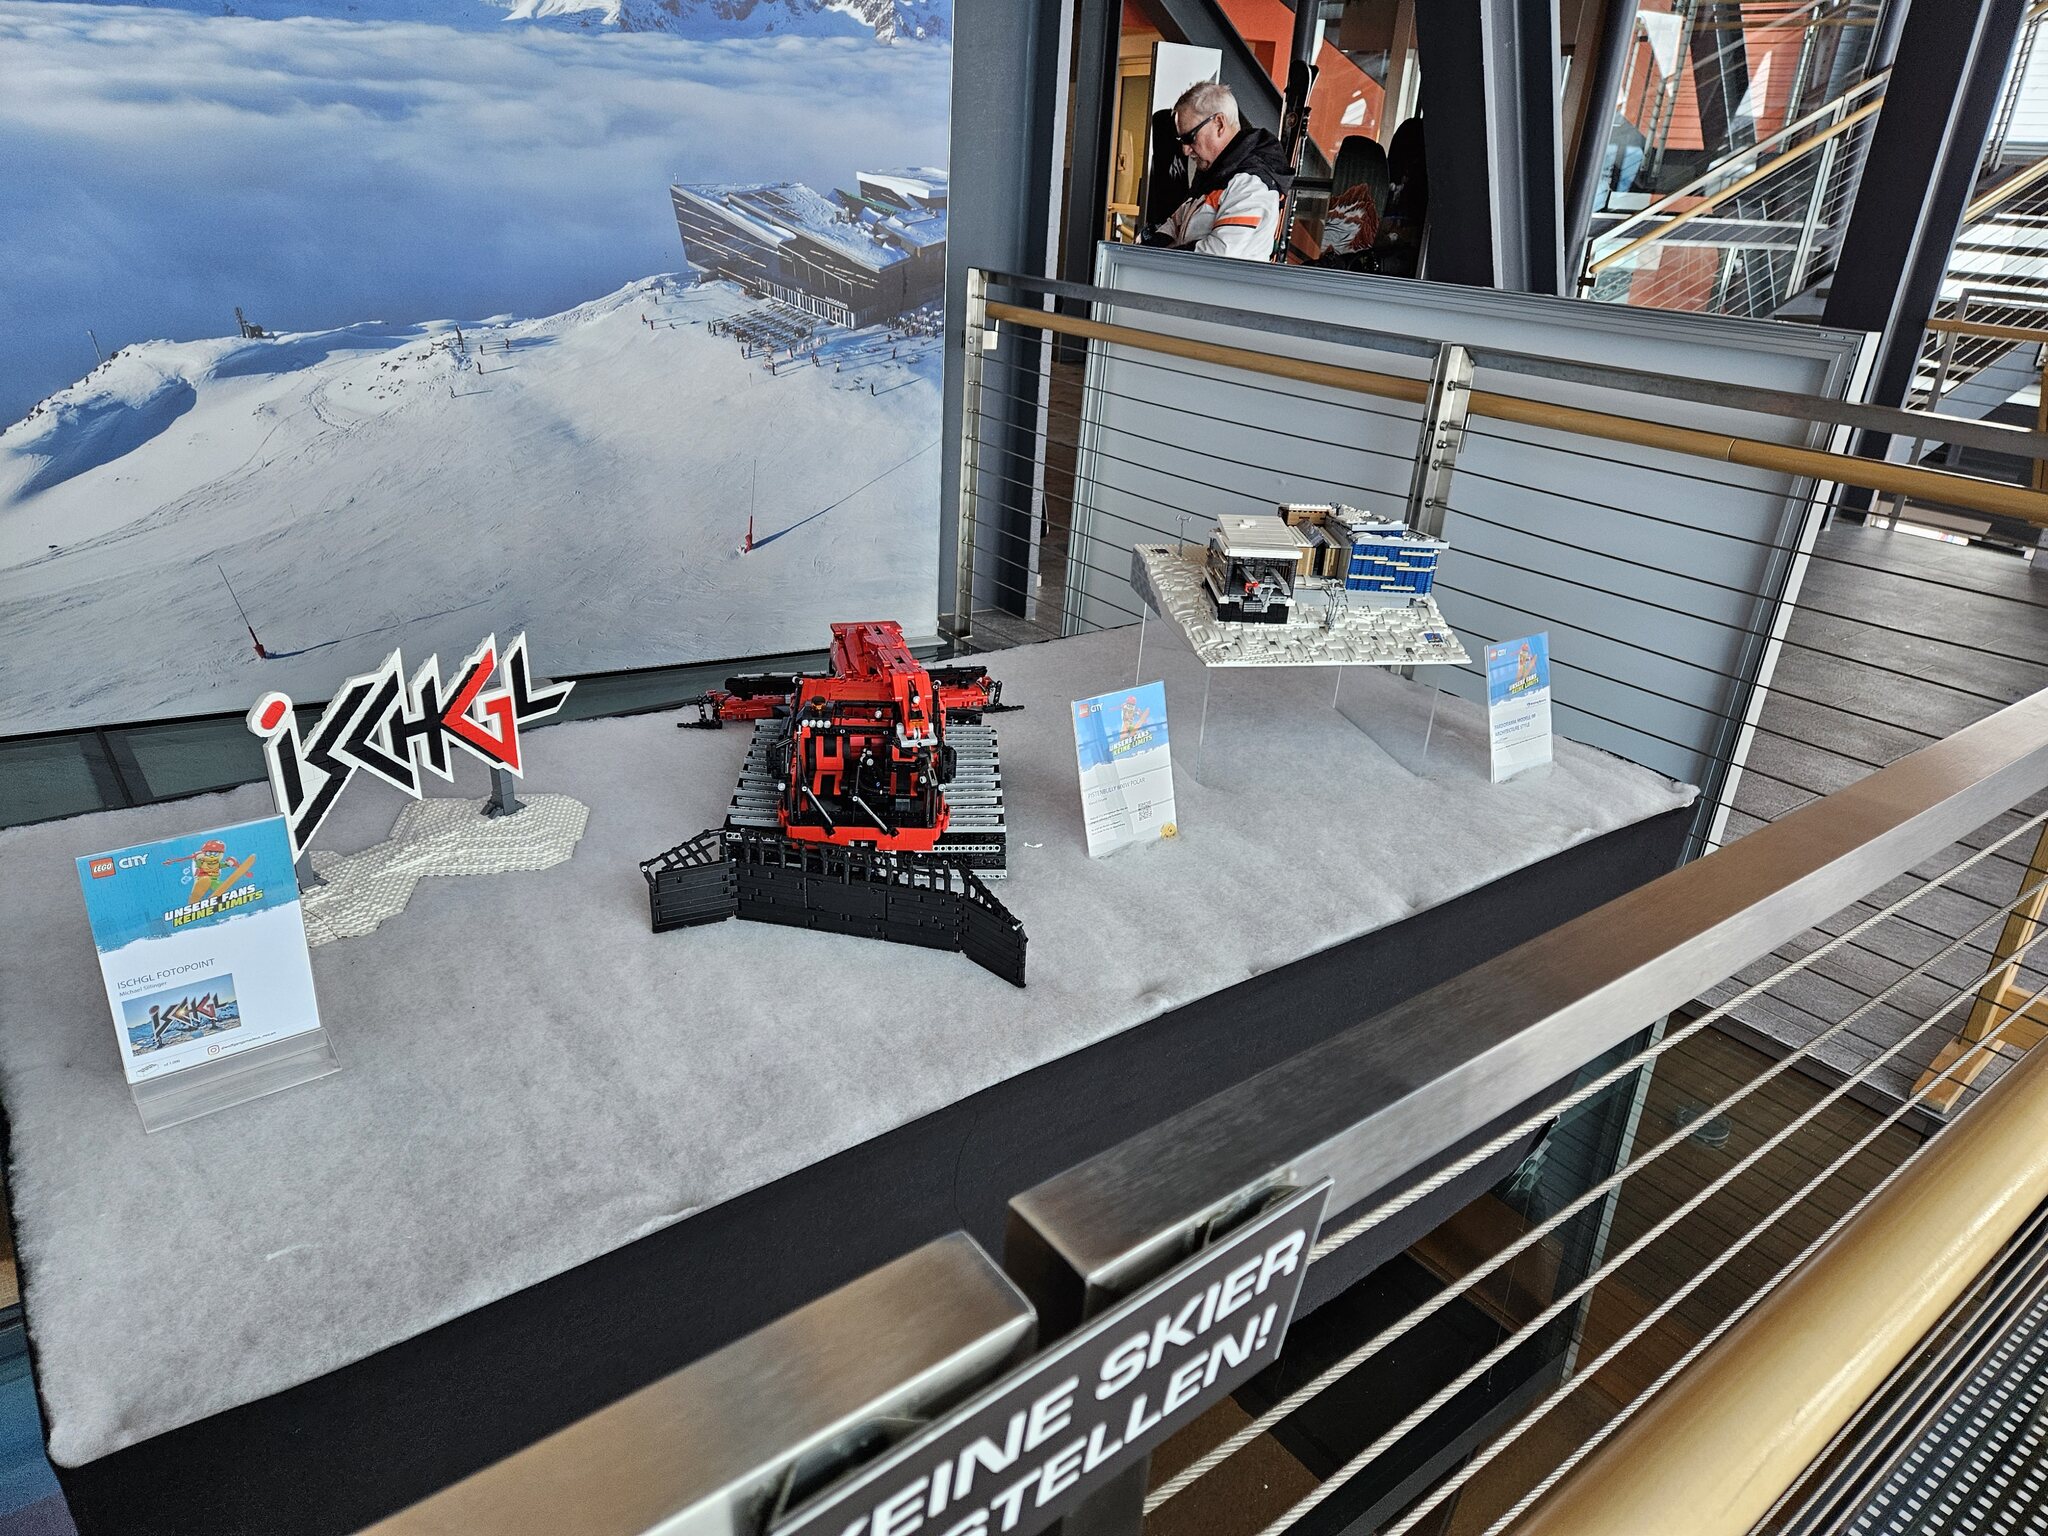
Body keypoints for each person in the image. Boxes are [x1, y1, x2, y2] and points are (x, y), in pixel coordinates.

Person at [1145, 82, 1293, 260]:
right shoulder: (1215, 175)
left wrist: (1158, 258)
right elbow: (1173, 224)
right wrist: (1146, 251)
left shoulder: (1250, 184)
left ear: (1219, 124)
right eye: (1181, 140)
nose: (1185, 150)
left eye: (1190, 138)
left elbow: (1215, 256)